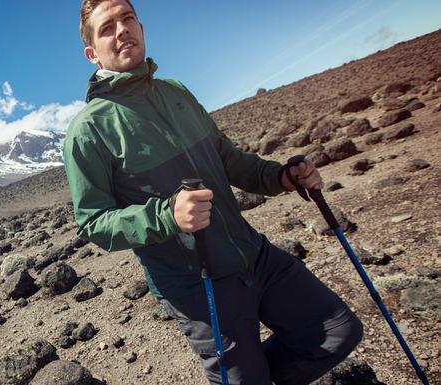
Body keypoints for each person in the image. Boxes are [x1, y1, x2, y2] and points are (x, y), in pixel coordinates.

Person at [63, 1, 363, 384]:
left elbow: (226, 158)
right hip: (195, 283)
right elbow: (93, 222)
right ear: (91, 53)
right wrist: (167, 215)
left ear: (141, 26)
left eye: (127, 19)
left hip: (253, 254)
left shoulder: (177, 92)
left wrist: (281, 177)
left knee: (338, 331)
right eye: (107, 28)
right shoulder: (88, 130)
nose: (121, 30)